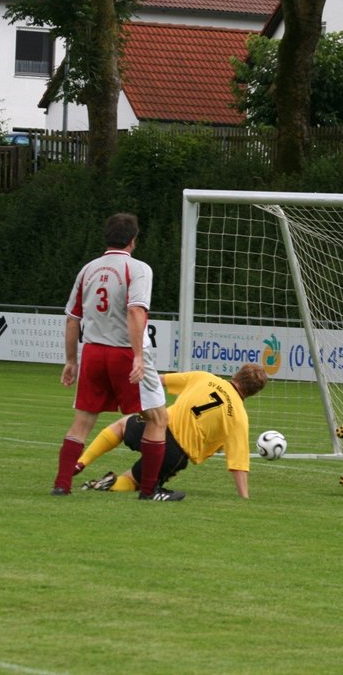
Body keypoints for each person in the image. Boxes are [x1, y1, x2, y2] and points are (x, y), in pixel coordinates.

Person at [51, 213, 173, 501]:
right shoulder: (138, 269)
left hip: (93, 352)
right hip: (124, 352)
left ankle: (62, 484)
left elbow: (72, 318)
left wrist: (71, 361)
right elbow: (135, 310)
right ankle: (149, 490)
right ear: (133, 240)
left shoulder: (88, 270)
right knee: (158, 418)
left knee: (83, 421)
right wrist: (138, 356)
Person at [75, 364, 268, 499]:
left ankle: (80, 462)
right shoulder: (239, 417)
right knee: (135, 481)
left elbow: (161, 380)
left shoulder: (205, 377)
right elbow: (238, 464)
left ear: (237, 374)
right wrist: (244, 497)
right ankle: (112, 483)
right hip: (175, 453)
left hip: (156, 427)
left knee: (122, 425)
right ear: (254, 392)